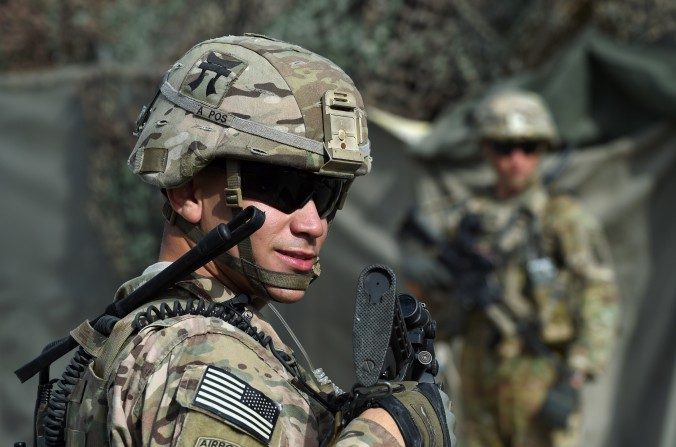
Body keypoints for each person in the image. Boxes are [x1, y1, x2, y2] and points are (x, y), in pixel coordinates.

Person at [29, 35, 456, 447]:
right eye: (280, 188)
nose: (312, 223)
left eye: (326, 195)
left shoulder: (154, 327)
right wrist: (389, 431)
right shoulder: (204, 361)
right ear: (187, 191)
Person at [399, 89, 619, 447]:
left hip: (540, 370)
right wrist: (426, 277)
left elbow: (599, 294)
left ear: (543, 149)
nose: (515, 160)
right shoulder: (467, 217)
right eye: (504, 148)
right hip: (477, 371)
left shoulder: (560, 218)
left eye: (528, 147)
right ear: (487, 149)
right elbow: (430, 290)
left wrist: (576, 374)